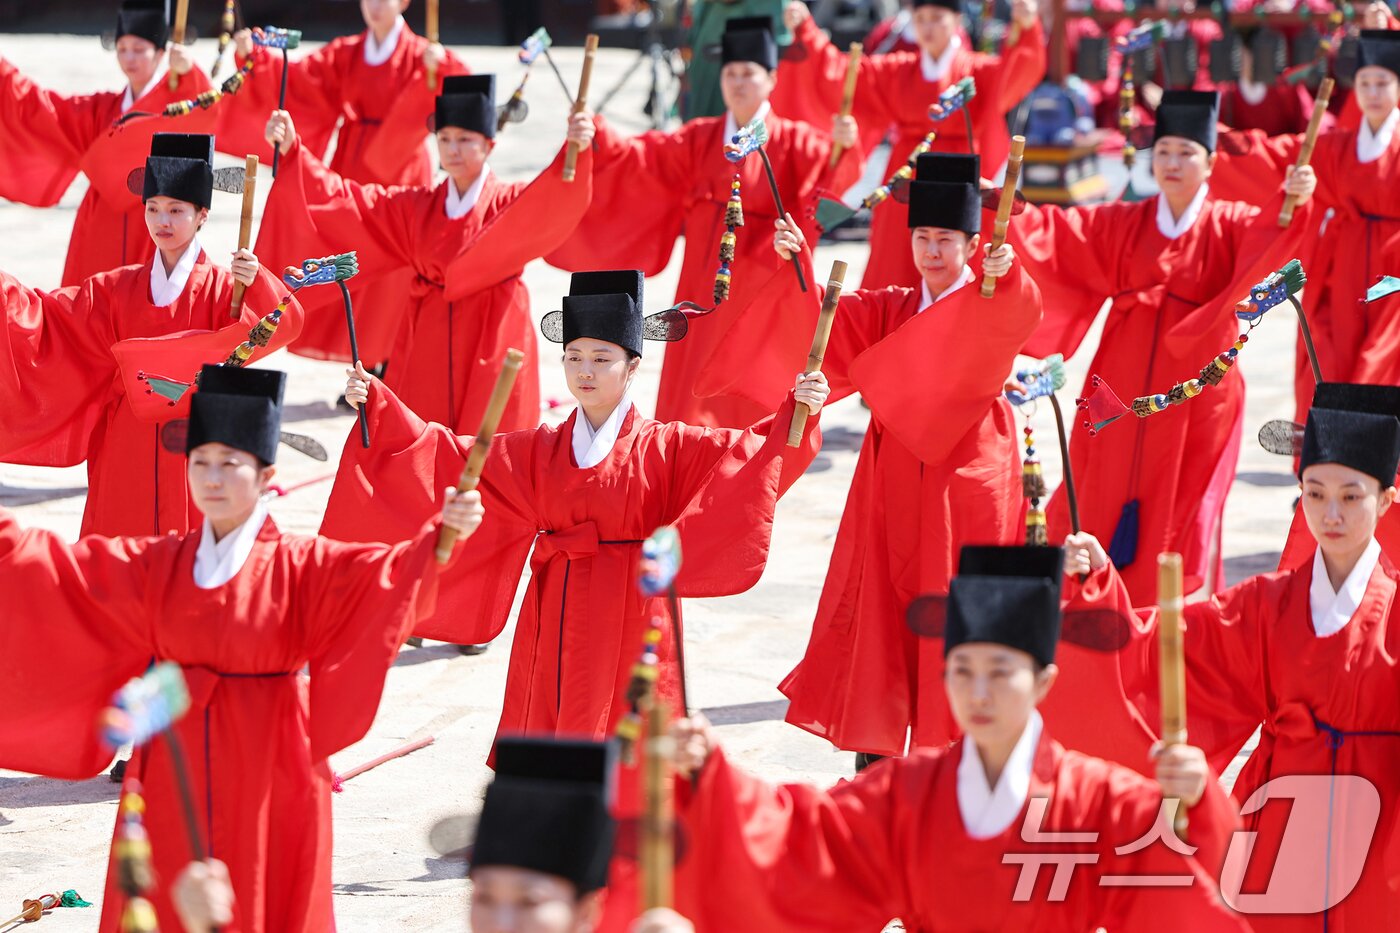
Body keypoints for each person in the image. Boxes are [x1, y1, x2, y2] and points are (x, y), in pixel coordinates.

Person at [0, 365, 485, 933]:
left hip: (271, 755)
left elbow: (389, 575)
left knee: (260, 886)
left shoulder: (303, 564)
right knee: (168, 884)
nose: (212, 478)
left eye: (230, 465)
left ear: (266, 475)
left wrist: (440, 537)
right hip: (173, 751)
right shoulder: (160, 561)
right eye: (200, 462)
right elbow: (61, 570)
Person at [323, 269, 827, 742]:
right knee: (549, 709)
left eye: (602, 359)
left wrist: (797, 412)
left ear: (633, 366)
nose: (585, 371)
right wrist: (381, 405)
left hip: (632, 601)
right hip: (555, 598)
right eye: (574, 357)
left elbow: (749, 456)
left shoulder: (671, 445)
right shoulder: (540, 447)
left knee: (627, 723)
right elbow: (452, 455)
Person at [668, 548, 1248, 932]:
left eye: (1001, 672)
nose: (980, 693)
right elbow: (808, 837)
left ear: (1044, 681)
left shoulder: (1095, 797)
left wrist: (1198, 802)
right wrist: (711, 776)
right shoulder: (908, 791)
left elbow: (1185, 875)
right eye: (963, 671)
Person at [1063, 385, 1400, 931]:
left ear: (1385, 499)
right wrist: (1099, 584)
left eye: (1351, 496)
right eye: (1314, 494)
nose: (1330, 513)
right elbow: (1164, 646)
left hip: (1381, 826)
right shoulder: (1266, 605)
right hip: (1282, 817)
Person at [755, 154, 1045, 766]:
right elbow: (824, 324)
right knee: (884, 597)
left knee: (961, 595)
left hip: (971, 466)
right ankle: (877, 748)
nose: (932, 251)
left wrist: (1009, 268)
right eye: (922, 237)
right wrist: (796, 266)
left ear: (972, 244)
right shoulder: (891, 306)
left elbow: (1023, 308)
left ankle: (965, 748)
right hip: (892, 469)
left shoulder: (991, 296)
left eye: (946, 239)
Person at [1004, 89, 1316, 605]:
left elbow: (1272, 240)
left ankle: (1165, 615)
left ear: (1211, 162)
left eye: (1186, 152)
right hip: (1118, 380)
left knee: (1181, 501)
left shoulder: (1230, 222)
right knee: (1096, 478)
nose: (1172, 163)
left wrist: (1293, 201)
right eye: (1164, 151)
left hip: (1197, 388)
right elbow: (1059, 233)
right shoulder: (1126, 221)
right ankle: (1090, 599)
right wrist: (1002, 205)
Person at [547, 16, 862, 428]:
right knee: (694, 370)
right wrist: (599, 133)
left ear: (771, 79)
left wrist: (846, 146)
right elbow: (642, 158)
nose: (737, 82)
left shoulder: (798, 140)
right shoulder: (700, 137)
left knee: (749, 376)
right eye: (730, 73)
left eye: (748, 73)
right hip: (703, 277)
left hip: (763, 277)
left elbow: (832, 187)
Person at [0, 132, 301, 538]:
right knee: (119, 551)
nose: (163, 221)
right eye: (154, 208)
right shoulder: (115, 288)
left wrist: (259, 281)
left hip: (196, 438)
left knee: (188, 556)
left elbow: (282, 324)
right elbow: (50, 316)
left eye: (177, 210)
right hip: (126, 438)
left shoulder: (224, 288)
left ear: (202, 215)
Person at [258, 76, 595, 435]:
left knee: (491, 439)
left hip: (493, 327)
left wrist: (578, 145)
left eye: (465, 140)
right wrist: (295, 150)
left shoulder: (508, 202)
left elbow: (554, 198)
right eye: (445, 139)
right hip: (426, 328)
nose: (454, 149)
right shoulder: (418, 206)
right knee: (419, 435)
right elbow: (349, 200)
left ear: (489, 144)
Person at [217, 0, 470, 366]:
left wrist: (443, 65)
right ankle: (365, 358)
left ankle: (390, 358)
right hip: (352, 160)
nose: (375, 6)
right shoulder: (347, 52)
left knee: (395, 266)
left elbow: (465, 95)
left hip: (403, 165)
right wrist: (256, 57)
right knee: (353, 259)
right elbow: (303, 82)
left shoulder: (421, 53)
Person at [777, 0, 1046, 290]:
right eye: (920, 19)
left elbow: (1016, 71)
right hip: (906, 176)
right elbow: (848, 74)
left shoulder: (976, 70)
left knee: (955, 255)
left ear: (957, 20)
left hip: (957, 175)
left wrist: (1028, 26)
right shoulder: (900, 69)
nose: (927, 27)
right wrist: (807, 30)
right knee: (895, 258)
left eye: (936, 18)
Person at [1211, 30, 1400, 430]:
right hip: (1344, 274)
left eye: (1383, 82)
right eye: (1364, 82)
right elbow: (1275, 157)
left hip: (1394, 280)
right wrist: (1205, 144)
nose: (1373, 92)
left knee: (1380, 370)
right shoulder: (1337, 147)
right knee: (1334, 365)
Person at [0, 0, 214, 285]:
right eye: (122, 49)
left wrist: (191, 75)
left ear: (161, 52)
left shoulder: (178, 104)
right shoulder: (101, 110)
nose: (130, 58)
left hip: (154, 221)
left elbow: (207, 115)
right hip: (99, 224)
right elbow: (44, 110)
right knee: (88, 306)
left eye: (139, 50)